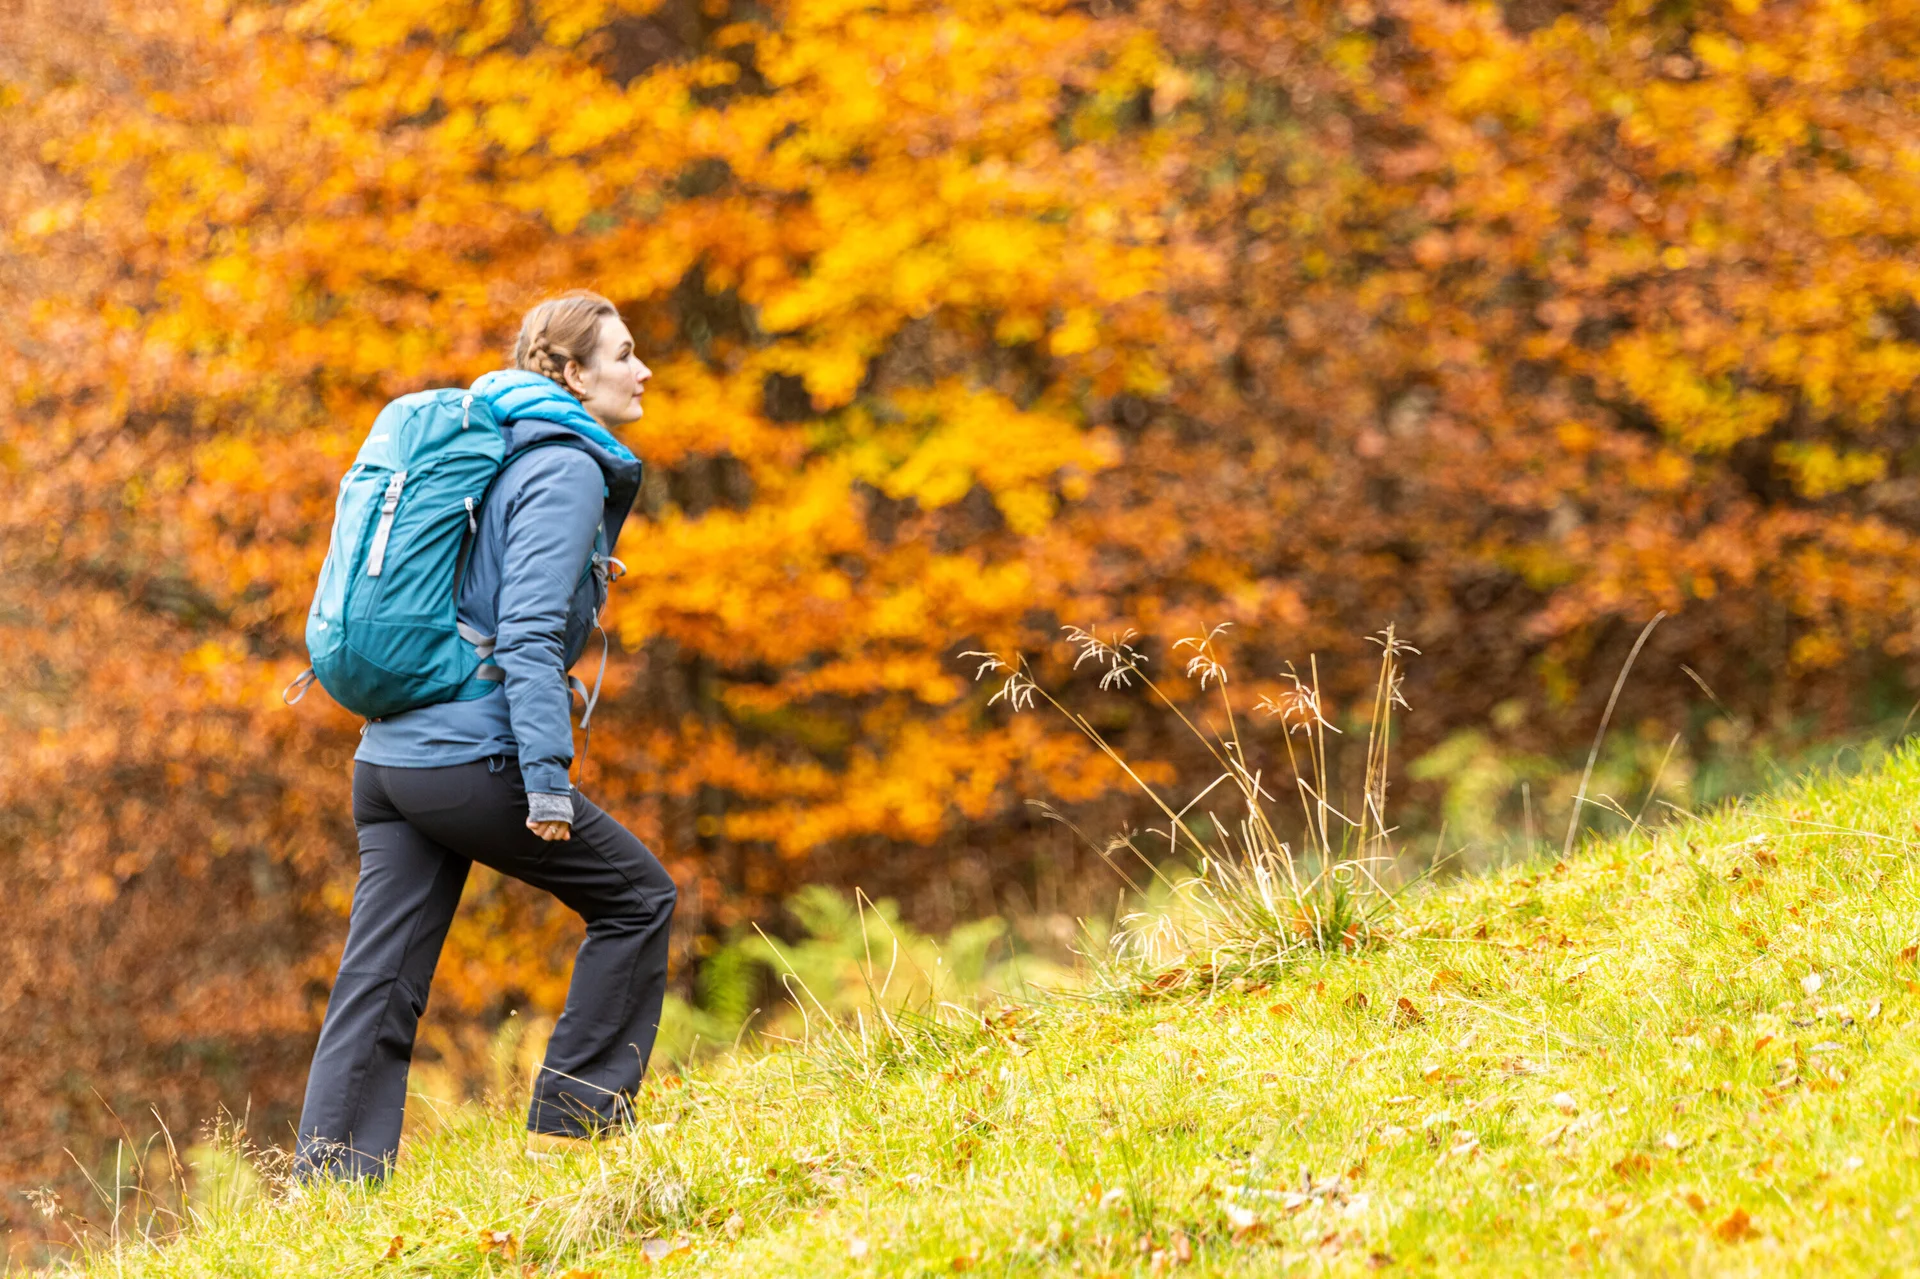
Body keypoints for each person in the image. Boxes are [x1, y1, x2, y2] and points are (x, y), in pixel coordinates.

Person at [294, 291, 676, 1177]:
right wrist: (547, 777)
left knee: (379, 974)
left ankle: (329, 1184)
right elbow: (532, 632)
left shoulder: (494, 449)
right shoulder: (564, 466)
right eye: (623, 355)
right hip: (470, 757)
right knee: (638, 898)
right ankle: (571, 1133)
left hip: (389, 760)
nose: (642, 368)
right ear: (573, 374)